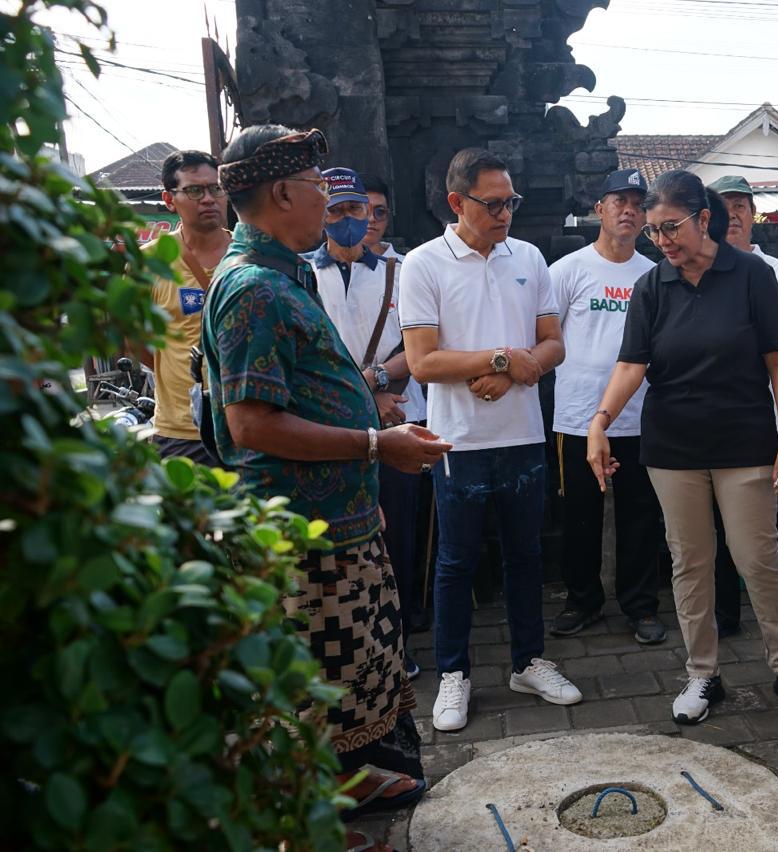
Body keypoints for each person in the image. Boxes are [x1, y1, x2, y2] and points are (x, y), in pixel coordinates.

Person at [202, 125, 449, 851]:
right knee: (305, 685)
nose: (336, 205)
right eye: (317, 186)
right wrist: (378, 445)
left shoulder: (289, 272)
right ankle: (304, 828)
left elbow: (311, 392)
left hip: (337, 517)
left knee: (353, 664)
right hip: (295, 535)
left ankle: (345, 780)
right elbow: (249, 426)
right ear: (282, 193)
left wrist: (361, 465)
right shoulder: (252, 289)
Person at [586, 170, 778, 726]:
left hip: (744, 440)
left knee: (757, 559)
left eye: (671, 228)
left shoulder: (751, 275)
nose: (663, 241)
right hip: (673, 444)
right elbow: (631, 364)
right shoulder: (652, 285)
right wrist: (600, 421)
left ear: (704, 219)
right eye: (654, 233)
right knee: (690, 562)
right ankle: (702, 673)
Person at [400, 147, 582, 733]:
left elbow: (552, 343)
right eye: (494, 203)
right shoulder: (424, 264)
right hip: (456, 440)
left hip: (522, 433)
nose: (506, 214)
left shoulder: (527, 256)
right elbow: (423, 362)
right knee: (456, 560)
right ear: (457, 202)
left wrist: (510, 370)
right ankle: (454, 673)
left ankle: (528, 660)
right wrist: (503, 355)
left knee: (526, 555)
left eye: (512, 202)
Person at [304, 167, 429, 679]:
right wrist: (364, 398)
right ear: (321, 216)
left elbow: (417, 342)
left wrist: (378, 385)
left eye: (357, 210)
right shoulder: (300, 275)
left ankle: (403, 638)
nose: (351, 220)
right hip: (336, 428)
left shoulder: (402, 270)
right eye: (336, 211)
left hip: (401, 414)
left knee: (401, 533)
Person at [548, 168, 666, 645]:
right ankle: (582, 600)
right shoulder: (568, 271)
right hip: (576, 415)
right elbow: (543, 337)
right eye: (619, 201)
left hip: (640, 415)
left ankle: (640, 605)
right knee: (578, 514)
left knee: (641, 514)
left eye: (638, 203)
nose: (628, 210)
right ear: (599, 208)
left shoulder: (655, 274)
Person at [705, 174, 778, 652]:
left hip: (767, 418)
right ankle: (724, 616)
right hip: (713, 417)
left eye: (741, 206)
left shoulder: (775, 271)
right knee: (716, 526)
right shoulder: (701, 269)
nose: (734, 215)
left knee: (776, 528)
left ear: (753, 214)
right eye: (724, 206)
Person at [141, 150, 231, 465]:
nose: (208, 198)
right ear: (169, 199)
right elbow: (136, 339)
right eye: (194, 190)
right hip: (182, 432)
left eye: (216, 188)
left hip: (248, 429)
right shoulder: (149, 263)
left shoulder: (247, 256)